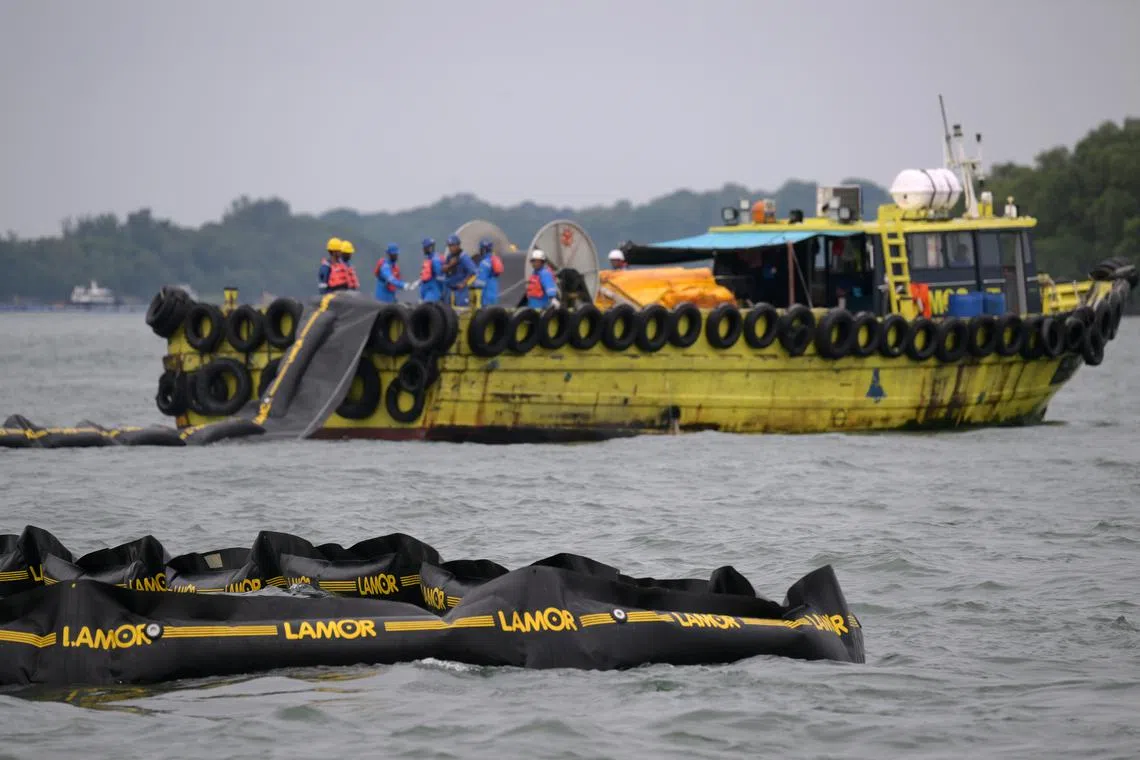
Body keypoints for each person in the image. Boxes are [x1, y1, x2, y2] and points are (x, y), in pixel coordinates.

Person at [442, 234, 477, 306]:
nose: (450, 248)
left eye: (452, 245)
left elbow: (473, 271)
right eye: (449, 246)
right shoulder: (450, 256)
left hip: (460, 291)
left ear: (458, 245)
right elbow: (443, 269)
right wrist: (450, 265)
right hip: (449, 290)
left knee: (460, 310)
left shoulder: (464, 257)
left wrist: (464, 283)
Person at [471, 237, 503, 307]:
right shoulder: (492, 260)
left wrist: (472, 285)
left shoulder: (484, 263)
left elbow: (480, 281)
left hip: (486, 294)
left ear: (483, 250)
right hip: (493, 292)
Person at [418, 238, 445, 302]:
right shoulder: (429, 258)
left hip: (432, 291)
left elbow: (440, 276)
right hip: (426, 291)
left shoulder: (435, 260)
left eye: (425, 247)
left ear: (430, 248)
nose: (423, 249)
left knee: (427, 309)